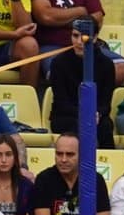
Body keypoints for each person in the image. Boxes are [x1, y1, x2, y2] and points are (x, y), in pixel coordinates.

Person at [48, 20, 117, 151]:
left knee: (106, 126)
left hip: (96, 117)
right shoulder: (59, 63)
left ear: (95, 37)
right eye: (75, 36)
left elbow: (105, 104)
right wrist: (85, 114)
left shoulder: (107, 65)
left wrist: (96, 114)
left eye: (84, 36)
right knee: (78, 125)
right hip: (66, 116)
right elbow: (61, 103)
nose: (79, 41)